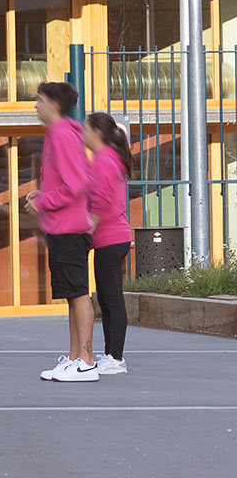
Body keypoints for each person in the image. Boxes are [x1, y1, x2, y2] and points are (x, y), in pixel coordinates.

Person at [28, 81, 99, 383]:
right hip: (64, 227)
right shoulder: (62, 133)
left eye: (40, 100)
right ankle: (74, 359)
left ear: (54, 104)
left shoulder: (61, 134)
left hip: (69, 228)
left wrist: (44, 201)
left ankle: (86, 361)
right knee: (72, 294)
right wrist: (42, 195)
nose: (36, 105)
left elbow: (76, 185)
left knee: (78, 293)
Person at [85, 112, 134, 376]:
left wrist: (88, 230)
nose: (83, 133)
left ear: (97, 132)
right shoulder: (107, 158)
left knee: (112, 299)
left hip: (110, 238)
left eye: (86, 128)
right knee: (105, 298)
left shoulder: (104, 159)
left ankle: (116, 357)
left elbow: (101, 202)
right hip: (110, 239)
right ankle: (110, 354)